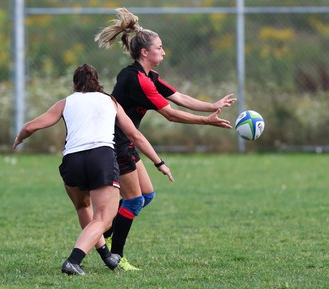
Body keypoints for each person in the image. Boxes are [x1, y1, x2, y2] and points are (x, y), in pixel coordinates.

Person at [95, 8, 237, 271]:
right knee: (135, 200)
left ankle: (104, 232)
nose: (164, 51)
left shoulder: (148, 76)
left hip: (126, 142)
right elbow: (170, 114)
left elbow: (179, 97)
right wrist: (207, 121)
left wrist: (211, 105)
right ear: (145, 53)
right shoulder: (136, 80)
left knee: (146, 196)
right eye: (160, 48)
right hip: (115, 143)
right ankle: (115, 255)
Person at [12, 64, 173, 276]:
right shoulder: (110, 101)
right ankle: (73, 260)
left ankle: (106, 255)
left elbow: (31, 126)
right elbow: (135, 136)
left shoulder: (66, 102)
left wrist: (20, 139)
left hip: (71, 160)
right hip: (101, 158)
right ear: (97, 83)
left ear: (74, 84)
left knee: (82, 207)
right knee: (104, 219)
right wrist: (159, 162)